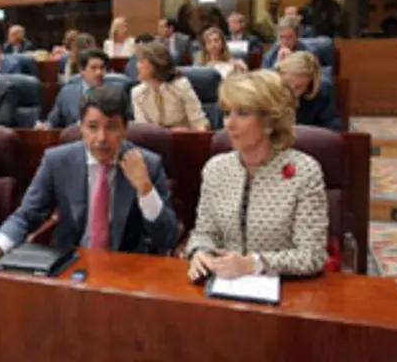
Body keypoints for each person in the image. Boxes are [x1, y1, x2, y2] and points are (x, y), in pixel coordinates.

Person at [0, 85, 178, 268]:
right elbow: (27, 215)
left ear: (125, 129)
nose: (101, 138)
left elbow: (167, 239)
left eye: (111, 127)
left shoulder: (148, 165)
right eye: (93, 127)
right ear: (81, 127)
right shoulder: (57, 161)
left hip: (126, 268)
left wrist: (145, 189)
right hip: (69, 263)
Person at [186, 70, 329, 280]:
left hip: (286, 289)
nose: (228, 124)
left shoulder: (304, 172)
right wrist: (200, 252)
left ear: (269, 121)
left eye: (243, 113)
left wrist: (252, 264)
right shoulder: (215, 169)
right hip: (224, 285)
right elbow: (204, 233)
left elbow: (312, 255)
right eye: (227, 113)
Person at [131, 41, 209, 131]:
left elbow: (199, 123)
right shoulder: (137, 93)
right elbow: (143, 130)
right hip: (154, 138)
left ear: (155, 65)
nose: (137, 66)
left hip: (184, 137)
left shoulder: (181, 86)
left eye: (141, 62)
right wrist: (168, 132)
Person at [37, 49, 109, 129]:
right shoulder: (67, 93)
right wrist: (45, 127)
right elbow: (52, 121)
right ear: (82, 70)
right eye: (93, 68)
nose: (99, 73)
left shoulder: (115, 94)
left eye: (102, 68)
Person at [275, 51, 342, 131]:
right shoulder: (271, 88)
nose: (292, 92)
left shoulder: (322, 91)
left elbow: (331, 127)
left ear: (310, 84)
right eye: (287, 84)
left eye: (299, 87)